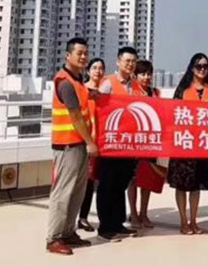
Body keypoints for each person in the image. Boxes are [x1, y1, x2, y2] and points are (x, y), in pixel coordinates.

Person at [46, 38, 98, 256]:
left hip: (78, 144)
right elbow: (75, 115)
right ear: (68, 55)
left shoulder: (78, 81)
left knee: (77, 191)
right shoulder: (65, 82)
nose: (84, 57)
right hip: (67, 145)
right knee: (63, 192)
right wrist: (90, 142)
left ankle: (68, 233)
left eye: (86, 53)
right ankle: (54, 238)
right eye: (79, 53)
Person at [168, 52, 208, 235]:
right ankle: (183, 221)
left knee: (196, 185)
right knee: (182, 185)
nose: (202, 69)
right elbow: (172, 114)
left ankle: (194, 221)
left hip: (203, 145)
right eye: (199, 66)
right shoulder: (182, 90)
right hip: (184, 145)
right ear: (191, 68)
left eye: (205, 66)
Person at [96, 46, 141, 241]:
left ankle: (117, 223)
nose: (130, 64)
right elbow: (98, 108)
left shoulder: (136, 86)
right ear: (118, 62)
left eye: (133, 61)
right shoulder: (108, 83)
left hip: (129, 145)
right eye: (127, 61)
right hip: (111, 144)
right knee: (108, 184)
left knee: (121, 184)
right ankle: (105, 227)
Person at [128, 60, 157, 229]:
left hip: (150, 143)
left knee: (147, 180)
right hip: (133, 143)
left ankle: (144, 213)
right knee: (133, 180)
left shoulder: (155, 93)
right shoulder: (130, 91)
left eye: (148, 74)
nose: (146, 77)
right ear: (135, 75)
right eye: (143, 74)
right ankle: (133, 213)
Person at [77, 57, 105, 233]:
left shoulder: (105, 92)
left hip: (101, 143)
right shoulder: (82, 90)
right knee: (82, 182)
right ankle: (77, 218)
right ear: (88, 71)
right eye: (94, 68)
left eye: (101, 68)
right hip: (85, 141)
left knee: (93, 182)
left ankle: (84, 217)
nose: (97, 71)